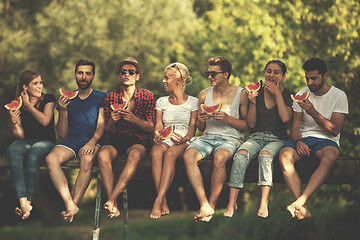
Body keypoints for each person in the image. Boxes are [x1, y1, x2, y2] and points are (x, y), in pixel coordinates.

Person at [279, 58, 348, 219]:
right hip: (304, 139)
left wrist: (314, 113)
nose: (310, 82)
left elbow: (335, 130)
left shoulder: (339, 96)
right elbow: (295, 128)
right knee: (284, 156)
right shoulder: (301, 95)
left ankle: (300, 201)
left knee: (330, 157)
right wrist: (298, 141)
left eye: (314, 78)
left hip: (327, 141)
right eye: (307, 78)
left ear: (325, 76)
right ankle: (301, 206)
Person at [224, 60, 293, 218]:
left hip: (277, 139)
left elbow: (285, 118)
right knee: (240, 155)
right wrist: (253, 103)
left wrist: (277, 94)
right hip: (256, 137)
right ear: (264, 73)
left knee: (265, 156)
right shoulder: (256, 93)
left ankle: (263, 202)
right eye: (268, 71)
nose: (271, 75)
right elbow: (251, 124)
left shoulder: (287, 95)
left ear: (283, 76)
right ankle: (231, 201)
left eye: (276, 72)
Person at [183, 56, 248, 222]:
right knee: (188, 156)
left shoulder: (241, 94)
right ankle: (204, 203)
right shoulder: (204, 95)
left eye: (213, 74)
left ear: (226, 74)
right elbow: (201, 128)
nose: (209, 77)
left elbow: (247, 126)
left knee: (220, 158)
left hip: (231, 139)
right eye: (208, 73)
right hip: (206, 138)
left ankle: (211, 205)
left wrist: (228, 119)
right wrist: (201, 120)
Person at [46, 59, 106, 222]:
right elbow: (62, 133)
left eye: (87, 73)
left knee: (87, 159)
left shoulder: (101, 97)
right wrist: (63, 110)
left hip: (94, 140)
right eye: (80, 73)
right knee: (51, 159)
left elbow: (101, 126)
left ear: (93, 76)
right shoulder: (66, 100)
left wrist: (93, 141)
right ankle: (69, 203)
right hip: (72, 141)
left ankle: (73, 205)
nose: (84, 76)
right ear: (75, 75)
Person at [98, 57, 155, 218]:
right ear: (119, 76)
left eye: (131, 72)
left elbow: (150, 127)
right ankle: (113, 204)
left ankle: (111, 199)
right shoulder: (110, 98)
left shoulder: (147, 96)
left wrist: (134, 119)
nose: (127, 74)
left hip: (139, 139)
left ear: (137, 76)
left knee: (135, 154)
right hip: (117, 139)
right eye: (123, 72)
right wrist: (112, 121)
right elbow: (109, 131)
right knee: (102, 154)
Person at [150, 62, 198, 219]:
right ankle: (163, 201)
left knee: (170, 155)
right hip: (166, 137)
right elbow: (159, 124)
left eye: (167, 78)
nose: (163, 81)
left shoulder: (193, 102)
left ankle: (157, 201)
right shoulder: (161, 101)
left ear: (179, 80)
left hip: (184, 139)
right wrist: (158, 133)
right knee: (155, 153)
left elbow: (192, 128)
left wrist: (185, 139)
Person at [7, 70, 56, 220]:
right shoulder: (18, 103)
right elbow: (20, 136)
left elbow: (45, 121)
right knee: (13, 149)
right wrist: (15, 123)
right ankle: (23, 200)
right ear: (25, 87)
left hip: (46, 142)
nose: (40, 86)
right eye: (35, 83)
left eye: (40, 82)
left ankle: (27, 201)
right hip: (26, 142)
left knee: (34, 153)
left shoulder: (48, 98)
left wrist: (29, 106)